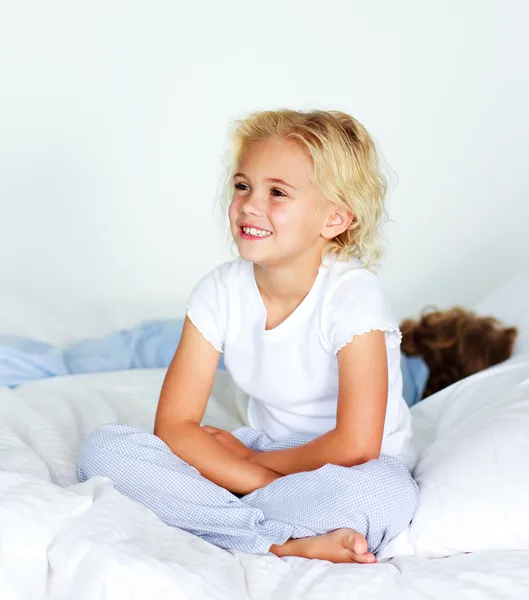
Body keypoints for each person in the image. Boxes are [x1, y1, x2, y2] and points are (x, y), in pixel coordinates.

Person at [77, 109, 419, 564]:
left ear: (335, 218)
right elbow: (176, 425)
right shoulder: (219, 291)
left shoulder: (354, 295)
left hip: (349, 469)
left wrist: (247, 470)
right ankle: (280, 541)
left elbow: (356, 445)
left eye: (277, 192)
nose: (250, 205)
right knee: (104, 451)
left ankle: (222, 520)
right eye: (243, 186)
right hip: (260, 457)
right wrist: (255, 475)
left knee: (384, 496)